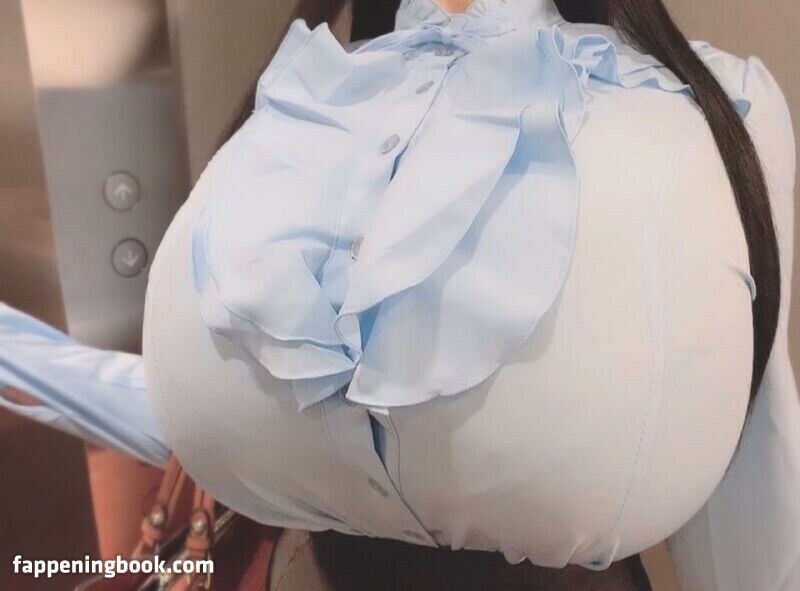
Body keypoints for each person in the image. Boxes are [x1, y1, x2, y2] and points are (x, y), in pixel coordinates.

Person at [4, 0, 797, 589]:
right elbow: (214, 408)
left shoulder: (711, 112)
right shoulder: (303, 100)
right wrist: (24, 355)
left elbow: (749, 503)